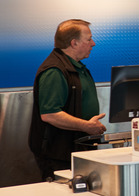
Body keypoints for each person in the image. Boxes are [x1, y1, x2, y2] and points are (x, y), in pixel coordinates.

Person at [28, 19, 106, 181]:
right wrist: (87, 126)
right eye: (89, 39)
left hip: (77, 149)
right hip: (59, 155)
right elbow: (50, 114)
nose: (93, 43)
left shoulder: (76, 67)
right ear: (74, 43)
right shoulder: (54, 71)